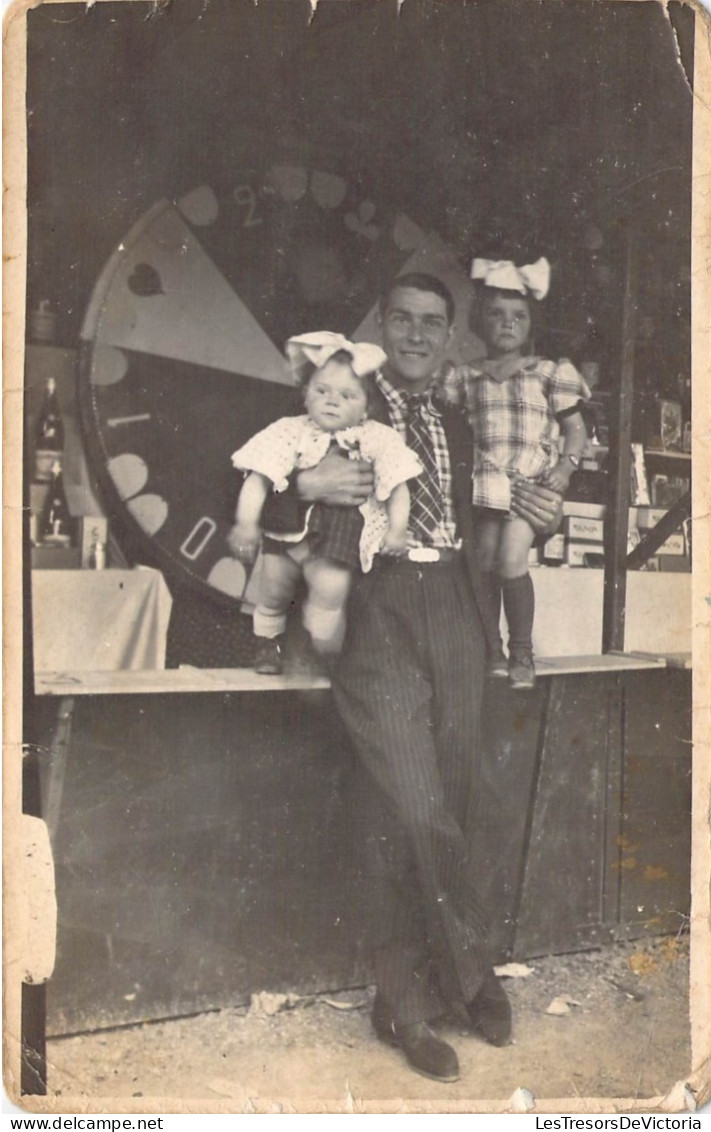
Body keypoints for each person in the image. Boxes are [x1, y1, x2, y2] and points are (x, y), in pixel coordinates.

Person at [262, 273, 562, 1083]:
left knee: (459, 796)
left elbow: (499, 514)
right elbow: (258, 481)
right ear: (381, 326)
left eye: (434, 323)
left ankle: (429, 988)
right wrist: (305, 486)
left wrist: (545, 509)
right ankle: (442, 986)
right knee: (415, 806)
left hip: (458, 611)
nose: (418, 335)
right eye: (403, 320)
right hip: (375, 612)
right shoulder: (335, 401)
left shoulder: (463, 421)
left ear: (449, 334)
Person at [228, 332, 423, 674]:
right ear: (305, 395)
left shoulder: (377, 436)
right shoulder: (289, 430)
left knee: (331, 588)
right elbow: (258, 477)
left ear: (367, 407)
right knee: (272, 588)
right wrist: (246, 524)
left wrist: (397, 530)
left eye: (347, 395)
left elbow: (398, 483)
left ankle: (320, 638)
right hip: (287, 530)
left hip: (339, 533)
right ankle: (267, 644)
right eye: (322, 391)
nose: (332, 401)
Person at [441, 257, 590, 689]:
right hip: (486, 481)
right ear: (479, 322)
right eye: (496, 315)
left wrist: (566, 467)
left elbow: (575, 429)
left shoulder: (548, 371)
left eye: (518, 316)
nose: (507, 324)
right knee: (485, 561)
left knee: (511, 561)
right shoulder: (466, 376)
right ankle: (493, 649)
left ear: (531, 324)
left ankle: (522, 651)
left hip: (529, 481)